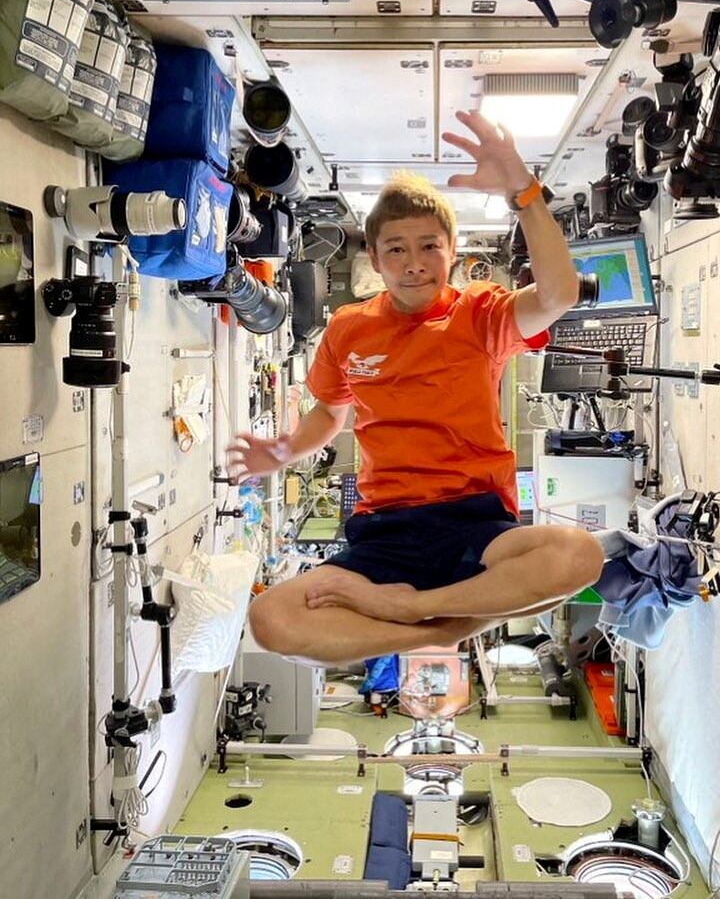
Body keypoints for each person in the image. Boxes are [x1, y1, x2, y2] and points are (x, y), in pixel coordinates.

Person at [227, 110, 604, 666]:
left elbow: (558, 295)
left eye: (429, 246)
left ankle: (418, 608)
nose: (414, 263)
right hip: (385, 530)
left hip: (475, 520)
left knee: (581, 556)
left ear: (452, 251)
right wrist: (283, 450)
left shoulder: (479, 314)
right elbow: (329, 414)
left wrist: (523, 191)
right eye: (397, 249)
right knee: (270, 621)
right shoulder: (348, 329)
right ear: (375, 258)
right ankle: (437, 629)